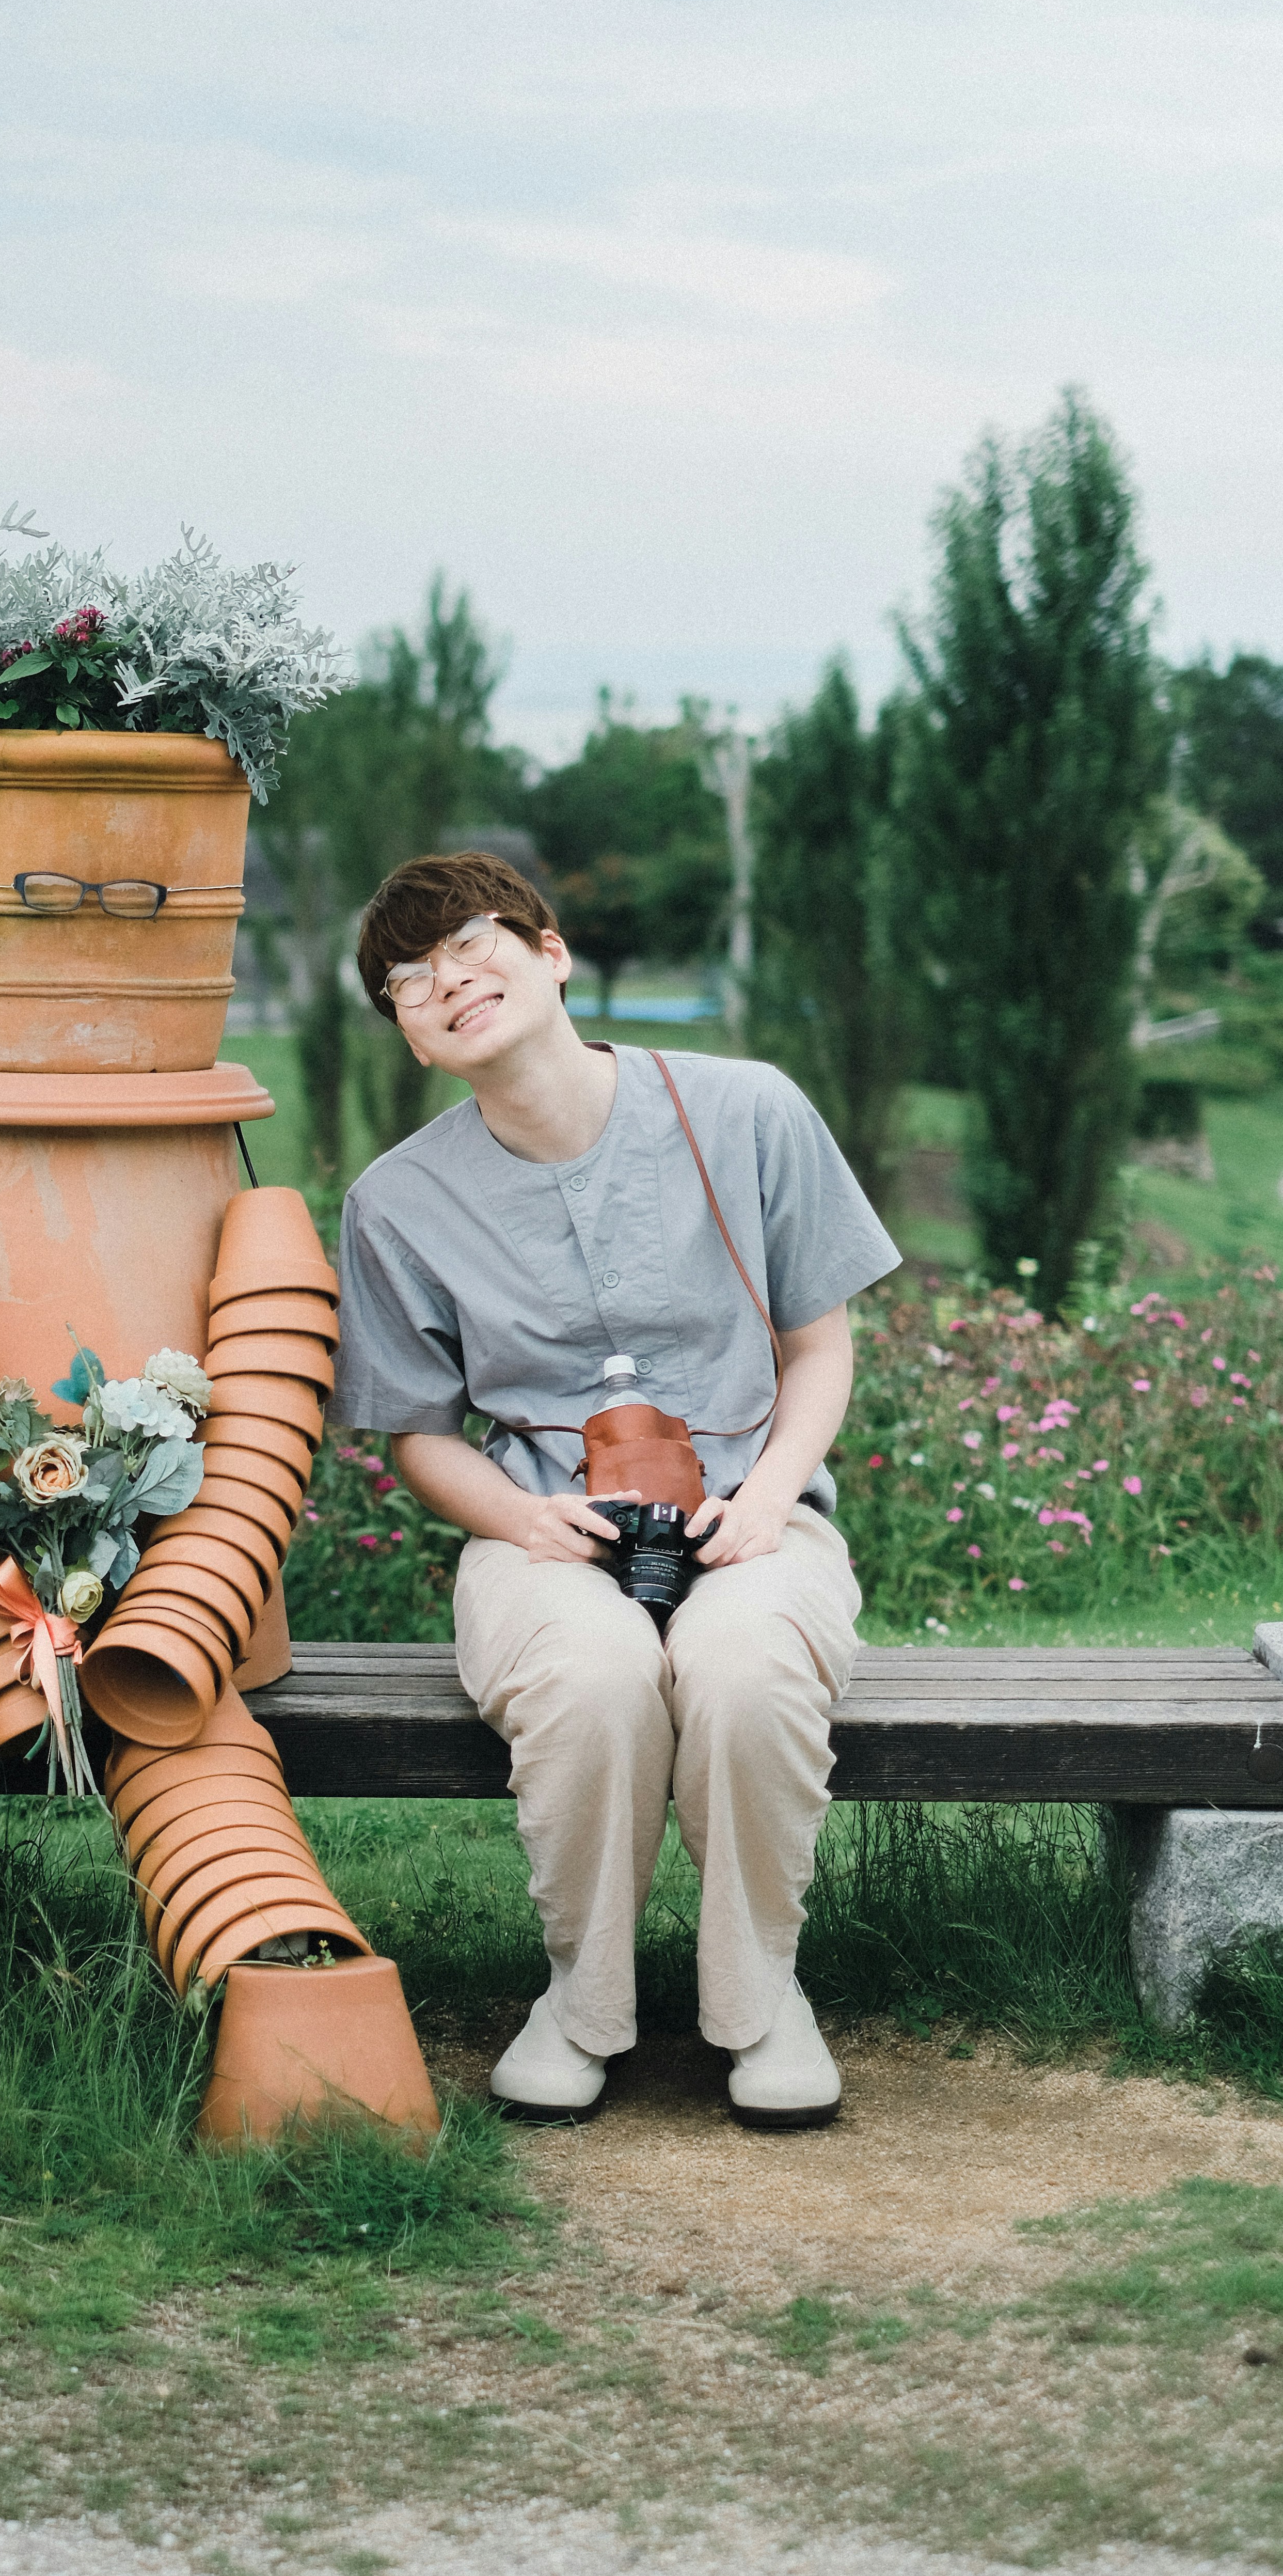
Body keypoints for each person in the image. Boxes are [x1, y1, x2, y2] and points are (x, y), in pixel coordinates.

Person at [331, 852, 900, 2125]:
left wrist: (767, 1504)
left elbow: (820, 1345)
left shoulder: (750, 1110)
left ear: (551, 953)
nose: (446, 980)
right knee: (589, 1679)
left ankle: (765, 2000)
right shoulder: (396, 1203)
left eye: (473, 942)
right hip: (543, 1539)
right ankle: (580, 2001)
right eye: (408, 981)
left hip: (757, 1518)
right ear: (414, 1041)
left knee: (748, 1668)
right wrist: (522, 1519)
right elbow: (419, 1436)